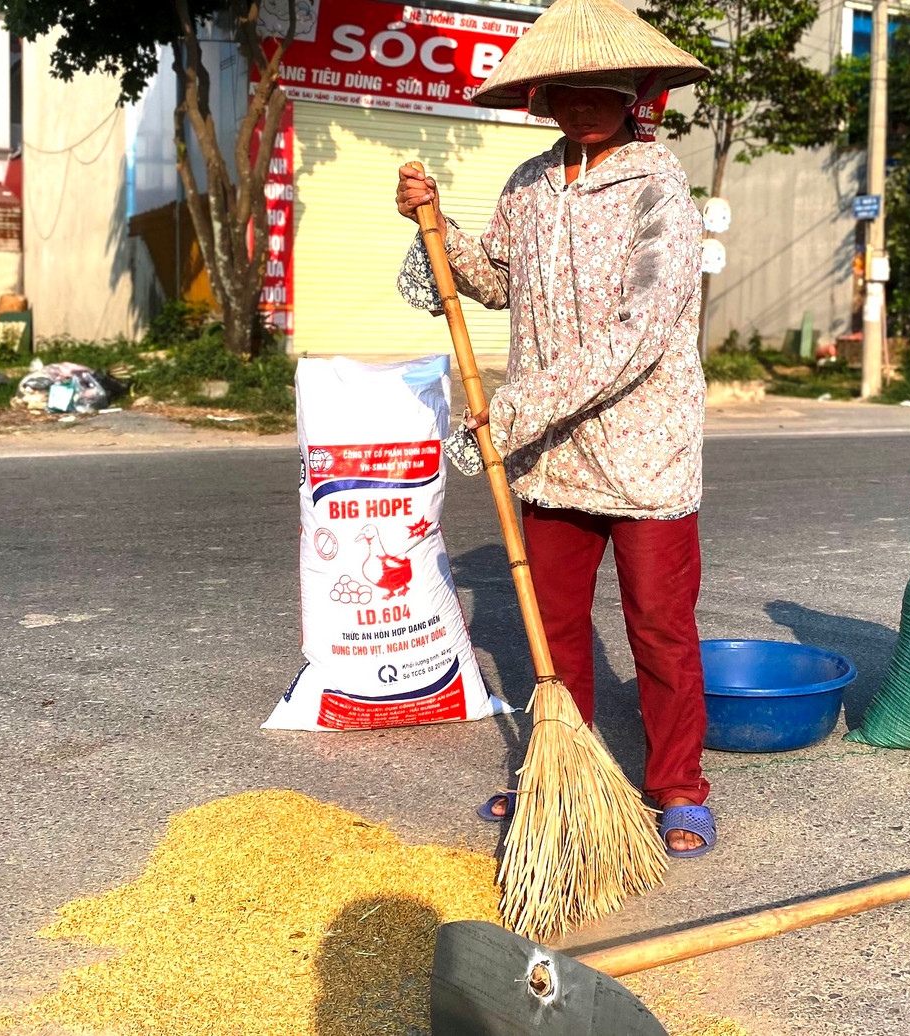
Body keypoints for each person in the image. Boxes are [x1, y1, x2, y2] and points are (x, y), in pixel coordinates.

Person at [393, 0, 714, 857]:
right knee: (554, 629)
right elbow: (495, 282)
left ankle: (677, 783)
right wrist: (433, 225)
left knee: (658, 627)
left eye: (598, 90)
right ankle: (557, 772)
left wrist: (512, 411)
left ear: (634, 94)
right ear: (543, 96)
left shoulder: (660, 192)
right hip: (551, 456)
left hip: (644, 449)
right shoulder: (530, 184)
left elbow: (639, 333)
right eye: (564, 90)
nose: (580, 104)